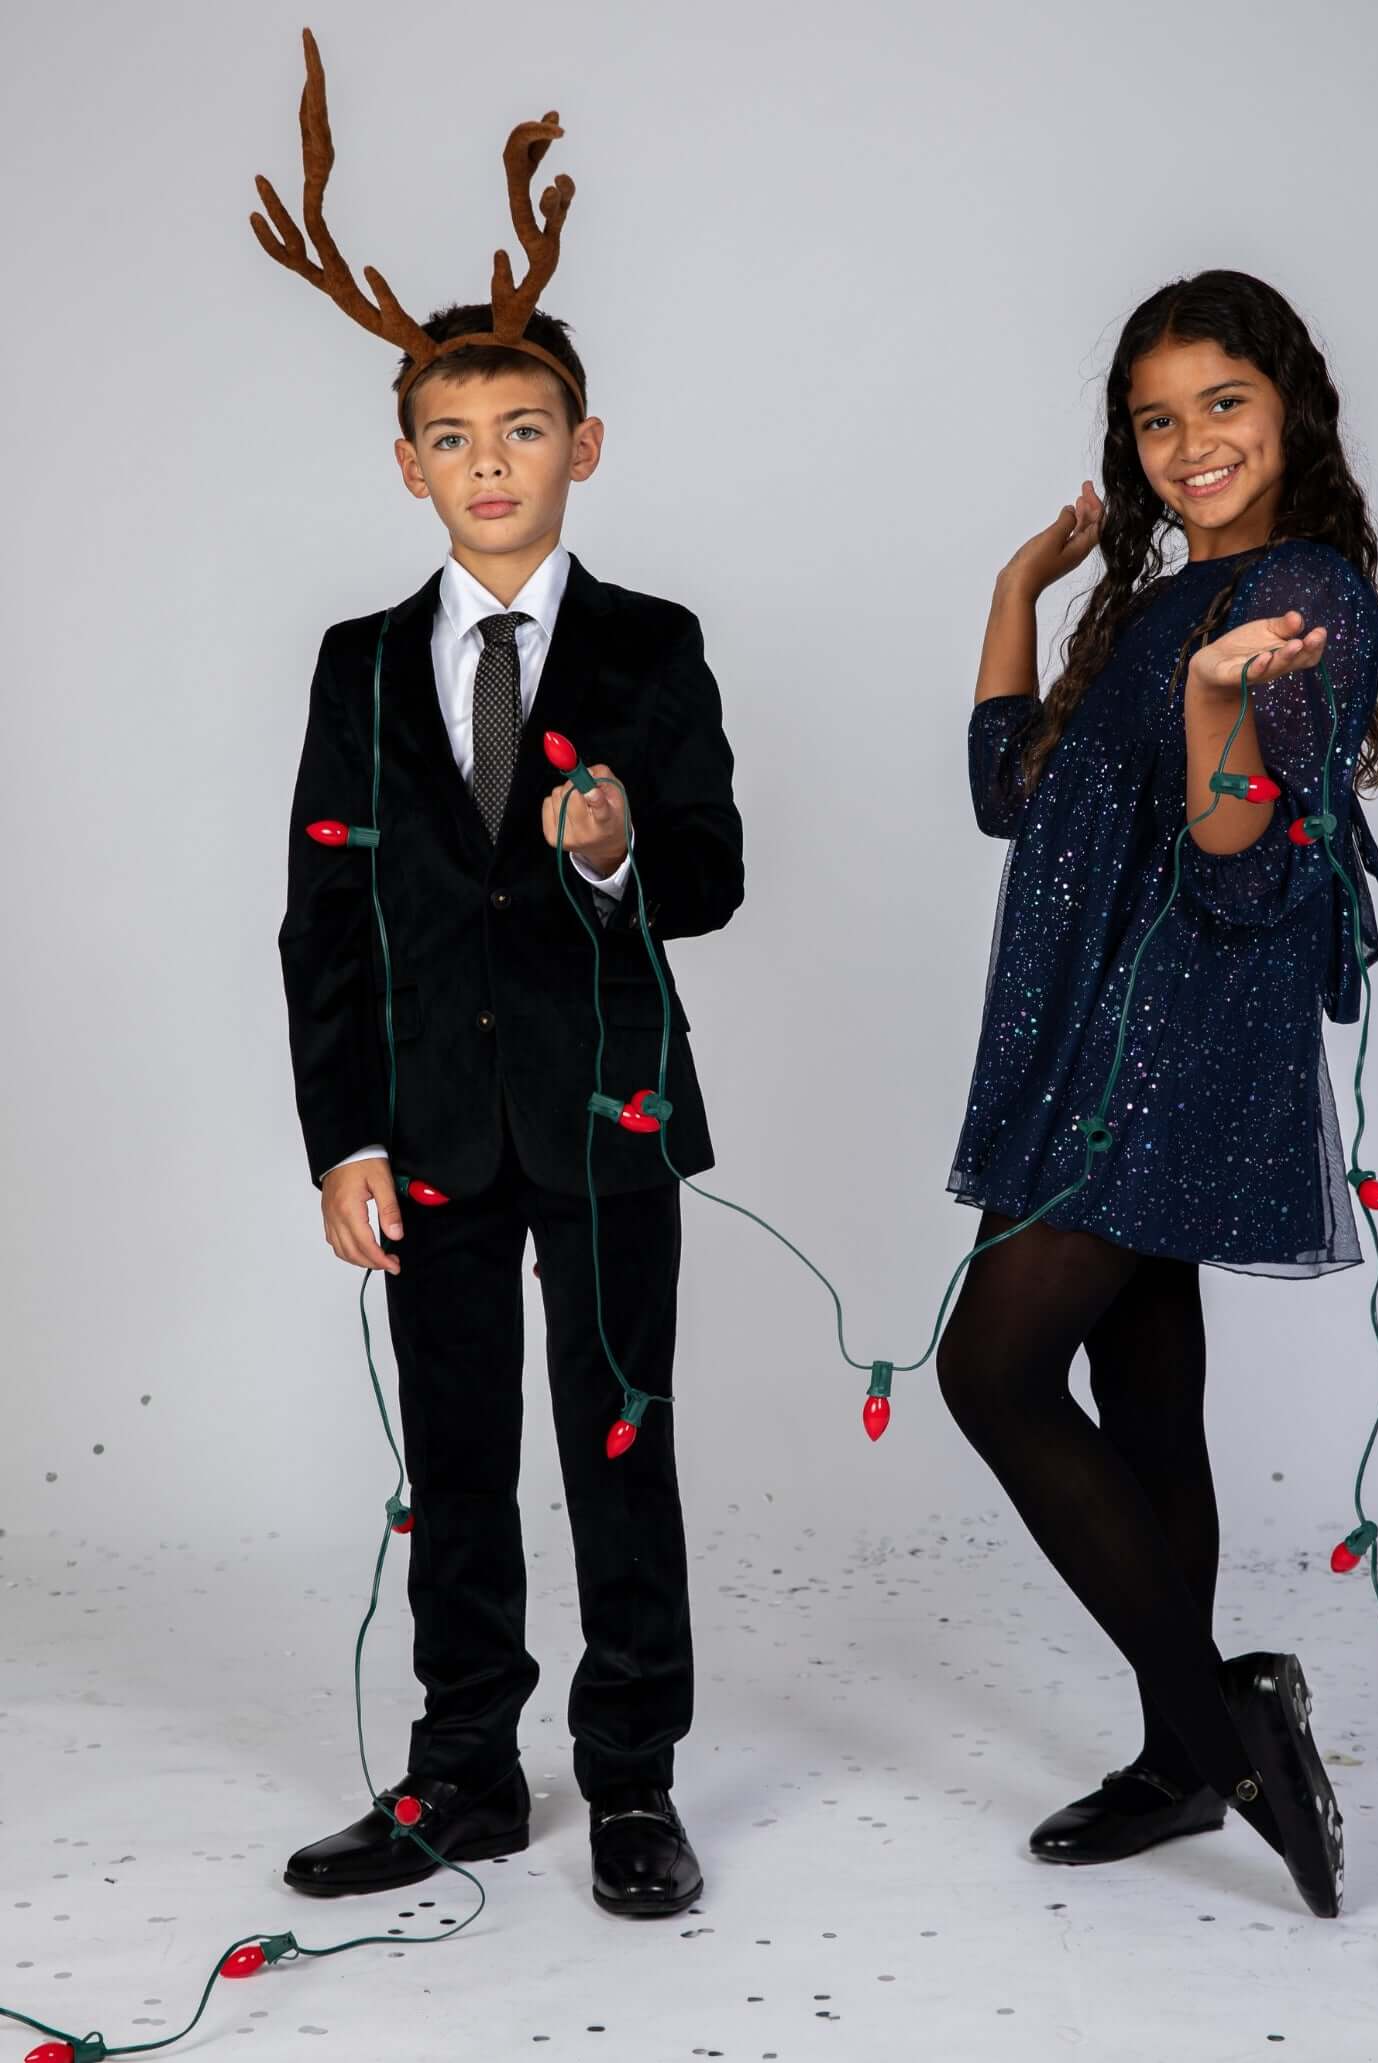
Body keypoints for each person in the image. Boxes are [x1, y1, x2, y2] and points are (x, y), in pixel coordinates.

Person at [262, 33, 741, 1918]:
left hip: (606, 1118)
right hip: (432, 1132)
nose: (489, 465)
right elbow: (322, 922)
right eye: (454, 439)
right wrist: (342, 1140)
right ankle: (464, 1771)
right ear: (409, 466)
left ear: (580, 447)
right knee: (456, 1459)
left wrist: (615, 850)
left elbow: (711, 875)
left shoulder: (653, 644)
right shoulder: (359, 664)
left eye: (523, 431)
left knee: (620, 1450)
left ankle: (630, 1781)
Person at [936, 269, 1378, 1920]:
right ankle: (1179, 1753)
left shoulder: (1306, 596)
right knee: (1141, 1395)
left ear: (1289, 411)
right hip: (1085, 1026)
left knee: (989, 1369)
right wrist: (1019, 584)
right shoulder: (1152, 603)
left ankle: (1221, 1728)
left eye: (1221, 403)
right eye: (1154, 419)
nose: (1188, 441)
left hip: (1179, 1034)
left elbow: (1239, 857)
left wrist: (1218, 701)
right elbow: (1007, 790)